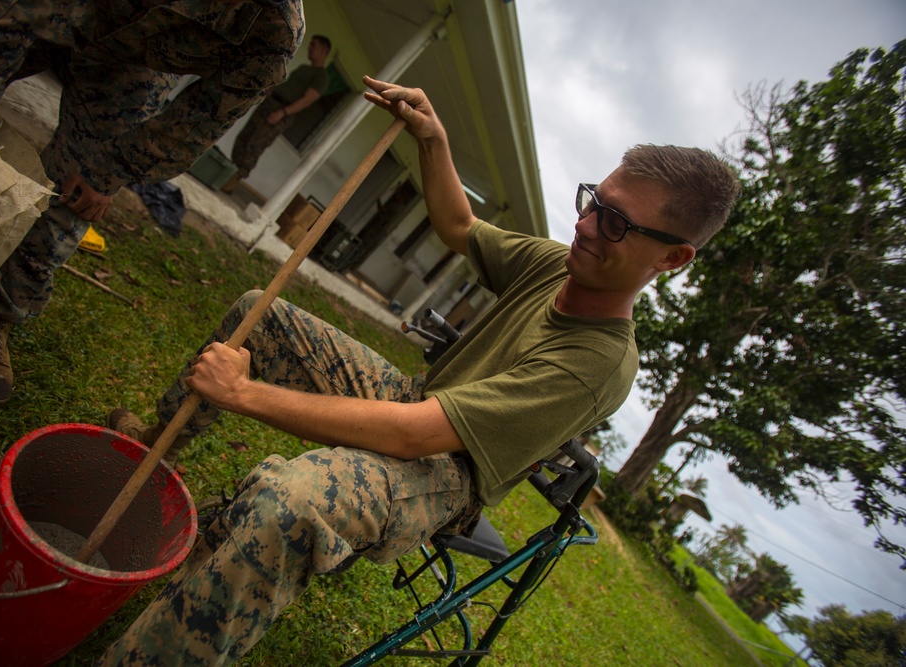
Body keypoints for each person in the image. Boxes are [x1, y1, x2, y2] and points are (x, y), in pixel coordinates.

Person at [99, 75, 740, 665]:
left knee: (288, 501)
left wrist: (244, 394)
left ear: (674, 258)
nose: (586, 224)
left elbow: (415, 437)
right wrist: (433, 139)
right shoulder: (556, 262)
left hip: (444, 474)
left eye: (617, 222)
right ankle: (148, 458)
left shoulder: (599, 364)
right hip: (416, 401)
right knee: (258, 316)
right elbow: (459, 225)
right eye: (593, 200)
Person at [0, 0, 304, 408]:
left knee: (82, 187)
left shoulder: (273, 28)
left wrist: (113, 168)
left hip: (132, 61)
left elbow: (203, 117)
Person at [220, 33, 332, 194]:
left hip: (282, 111)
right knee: (245, 136)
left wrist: (283, 113)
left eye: (313, 45)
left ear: (323, 50)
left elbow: (307, 100)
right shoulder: (304, 68)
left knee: (255, 143)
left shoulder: (322, 76)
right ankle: (227, 172)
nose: (309, 48)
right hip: (270, 104)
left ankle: (233, 180)